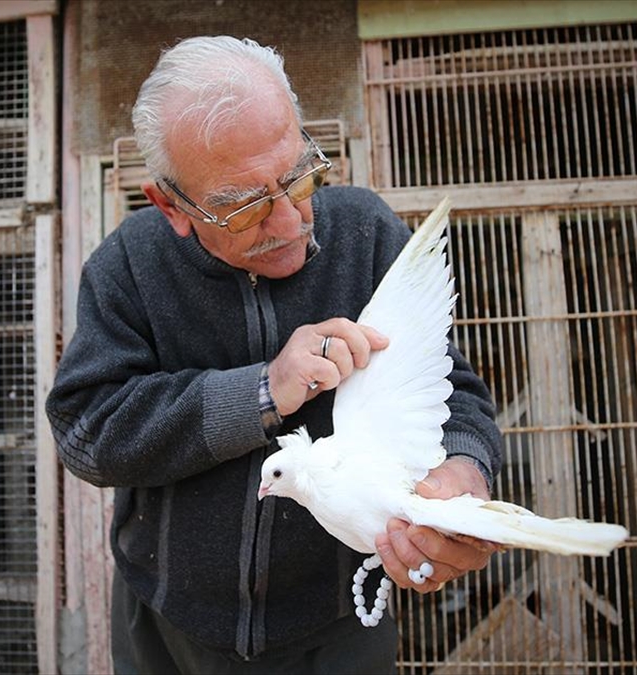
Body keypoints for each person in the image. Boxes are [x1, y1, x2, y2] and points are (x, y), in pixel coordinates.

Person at [46, 35, 503, 674]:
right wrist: (261, 390)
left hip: (336, 622)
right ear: (171, 206)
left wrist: (465, 477)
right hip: (171, 623)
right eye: (242, 208)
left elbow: (456, 398)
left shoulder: (365, 234)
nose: (289, 223)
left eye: (298, 177)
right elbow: (86, 432)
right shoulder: (127, 266)